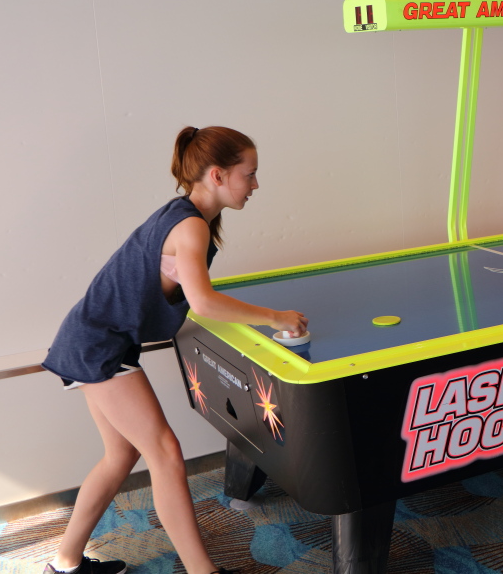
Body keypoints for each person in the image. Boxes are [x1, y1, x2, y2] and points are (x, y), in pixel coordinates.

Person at [41, 126, 308, 574]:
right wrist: (275, 316)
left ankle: (65, 563)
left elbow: (191, 294)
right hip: (99, 348)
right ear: (219, 175)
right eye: (251, 174)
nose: (256, 184)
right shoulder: (189, 226)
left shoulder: (188, 218)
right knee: (164, 451)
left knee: (122, 455)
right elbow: (202, 301)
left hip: (93, 341)